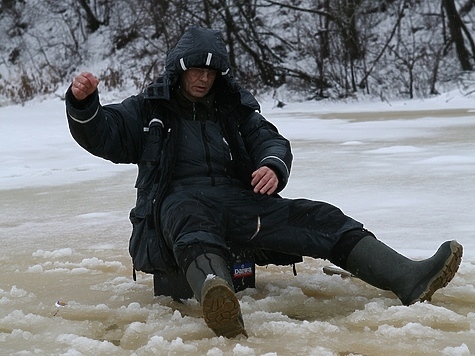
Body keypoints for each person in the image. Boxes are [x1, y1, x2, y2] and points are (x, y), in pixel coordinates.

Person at [65, 25, 463, 339]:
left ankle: (408, 278)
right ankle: (216, 294)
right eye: (195, 70)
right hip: (177, 206)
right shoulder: (150, 109)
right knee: (190, 218)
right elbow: (105, 132)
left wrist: (272, 166)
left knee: (320, 217)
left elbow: (268, 139)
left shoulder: (233, 109)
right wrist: (84, 104)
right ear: (179, 69)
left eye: (210, 71)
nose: (203, 78)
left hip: (238, 204)